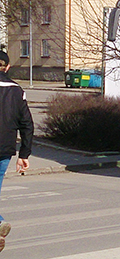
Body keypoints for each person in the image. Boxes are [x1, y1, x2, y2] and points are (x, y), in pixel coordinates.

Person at [0, 51, 33, 252]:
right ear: (8, 67)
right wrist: (24, 154)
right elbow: (27, 124)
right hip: (4, 149)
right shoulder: (17, 90)